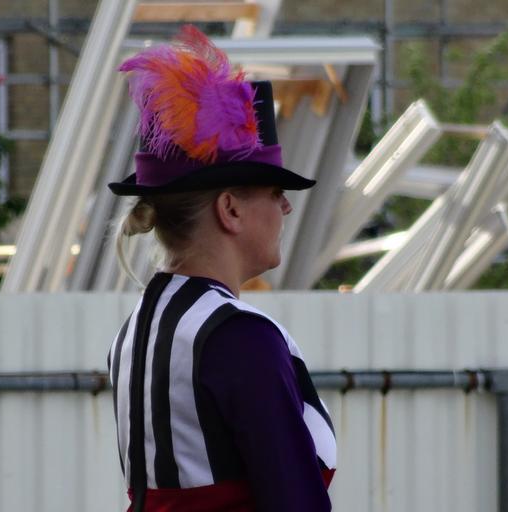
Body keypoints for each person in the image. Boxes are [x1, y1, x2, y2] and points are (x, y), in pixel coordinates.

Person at [106, 26, 336, 512]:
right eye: (276, 193)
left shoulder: (135, 330)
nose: (286, 208)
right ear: (230, 209)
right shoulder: (239, 336)